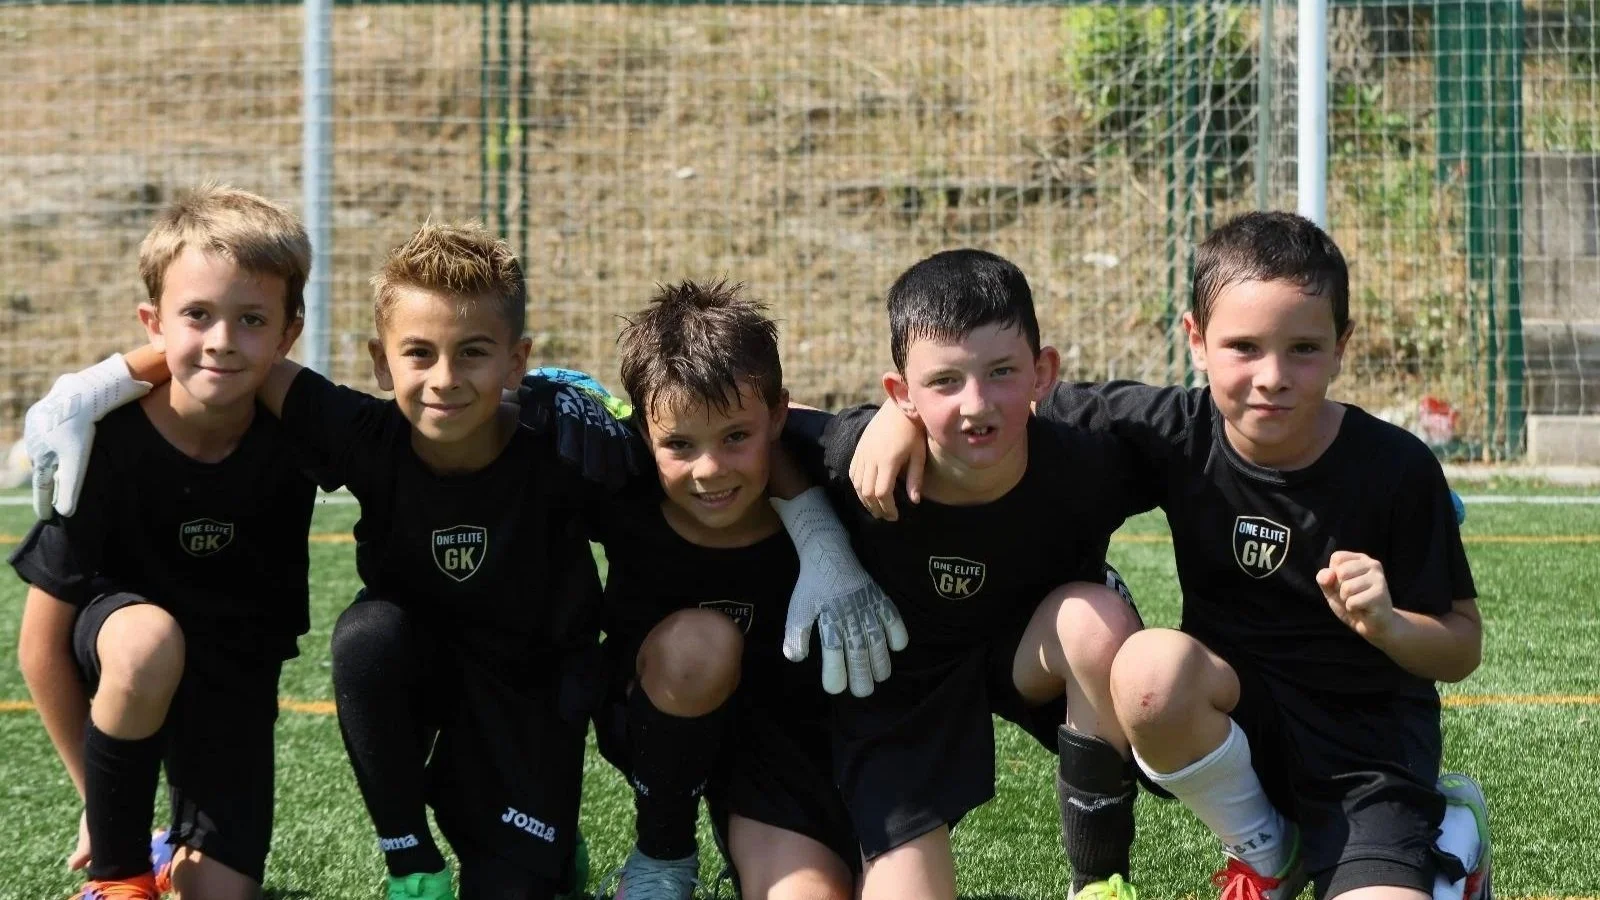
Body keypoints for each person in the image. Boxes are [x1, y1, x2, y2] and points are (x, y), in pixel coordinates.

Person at [848, 212, 1494, 900]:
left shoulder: (1396, 468)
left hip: (1367, 756)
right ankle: (1267, 854)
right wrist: (895, 418)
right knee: (1149, 672)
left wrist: (1391, 623)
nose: (1271, 376)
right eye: (1243, 346)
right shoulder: (1169, 431)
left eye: (1303, 349)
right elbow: (996, 397)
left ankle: (1450, 839)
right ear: (1196, 341)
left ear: (1342, 346)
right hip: (1236, 715)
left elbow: (1461, 647)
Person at [785, 249, 1151, 900]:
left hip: (1026, 649)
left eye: (1002, 372)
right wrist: (822, 543)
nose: (976, 404)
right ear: (900, 392)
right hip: (906, 691)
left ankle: (1101, 882)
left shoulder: (1093, 449)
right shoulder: (862, 454)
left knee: (1097, 621)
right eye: (945, 382)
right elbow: (762, 431)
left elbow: (1218, 436)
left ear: (1044, 374)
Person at [11, 184, 316, 900]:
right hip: (125, 653)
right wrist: (98, 799)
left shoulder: (301, 436)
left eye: (250, 320)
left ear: (287, 334)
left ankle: (174, 849)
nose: (220, 340)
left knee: (221, 893)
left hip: (230, 685)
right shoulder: (101, 441)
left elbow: (395, 435)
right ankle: (119, 873)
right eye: (196, 315)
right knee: (147, 641)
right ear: (152, 321)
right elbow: (38, 645)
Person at [585, 280, 874, 900]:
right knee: (699, 646)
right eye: (680, 445)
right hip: (656, 720)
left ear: (779, 415)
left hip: (787, 748)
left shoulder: (829, 471)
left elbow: (902, 430)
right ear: (642, 432)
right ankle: (663, 853)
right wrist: (543, 389)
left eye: (735, 437)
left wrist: (899, 426)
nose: (710, 469)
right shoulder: (615, 485)